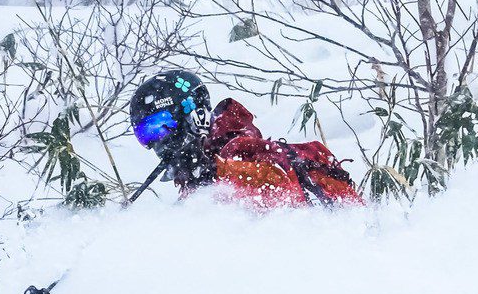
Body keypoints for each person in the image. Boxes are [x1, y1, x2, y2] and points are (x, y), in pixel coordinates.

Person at [129, 69, 363, 207]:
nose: (154, 142)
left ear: (193, 115)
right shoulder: (197, 172)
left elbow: (282, 189)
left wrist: (217, 173)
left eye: (158, 127)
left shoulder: (236, 150)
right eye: (144, 134)